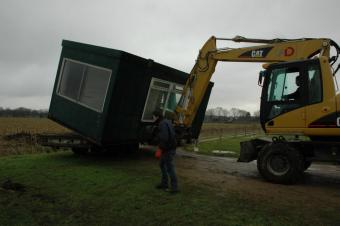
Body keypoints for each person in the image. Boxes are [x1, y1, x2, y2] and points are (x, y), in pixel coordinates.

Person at [152, 109, 179, 194]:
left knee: (169, 168)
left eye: (153, 116)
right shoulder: (166, 121)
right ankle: (164, 183)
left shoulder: (162, 124)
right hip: (170, 147)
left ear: (157, 116)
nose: (152, 118)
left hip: (168, 149)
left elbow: (164, 137)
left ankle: (174, 188)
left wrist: (160, 148)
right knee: (162, 164)